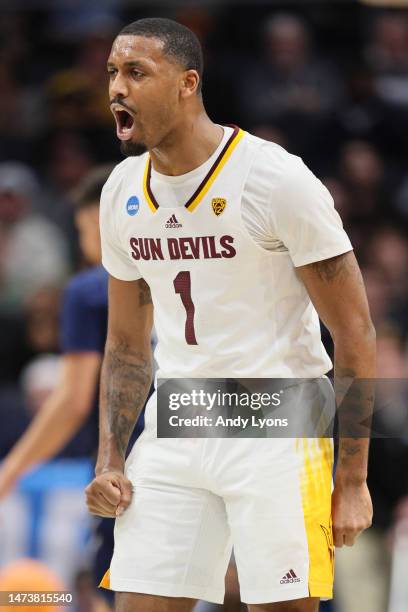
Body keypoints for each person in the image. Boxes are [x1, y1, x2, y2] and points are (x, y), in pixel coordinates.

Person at [85, 18, 375, 612]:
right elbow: (125, 345)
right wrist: (110, 458)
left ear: (188, 83)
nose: (118, 87)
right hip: (179, 421)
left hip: (279, 423)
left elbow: (354, 331)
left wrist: (351, 481)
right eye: (113, 72)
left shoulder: (275, 179)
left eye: (137, 72)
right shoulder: (120, 191)